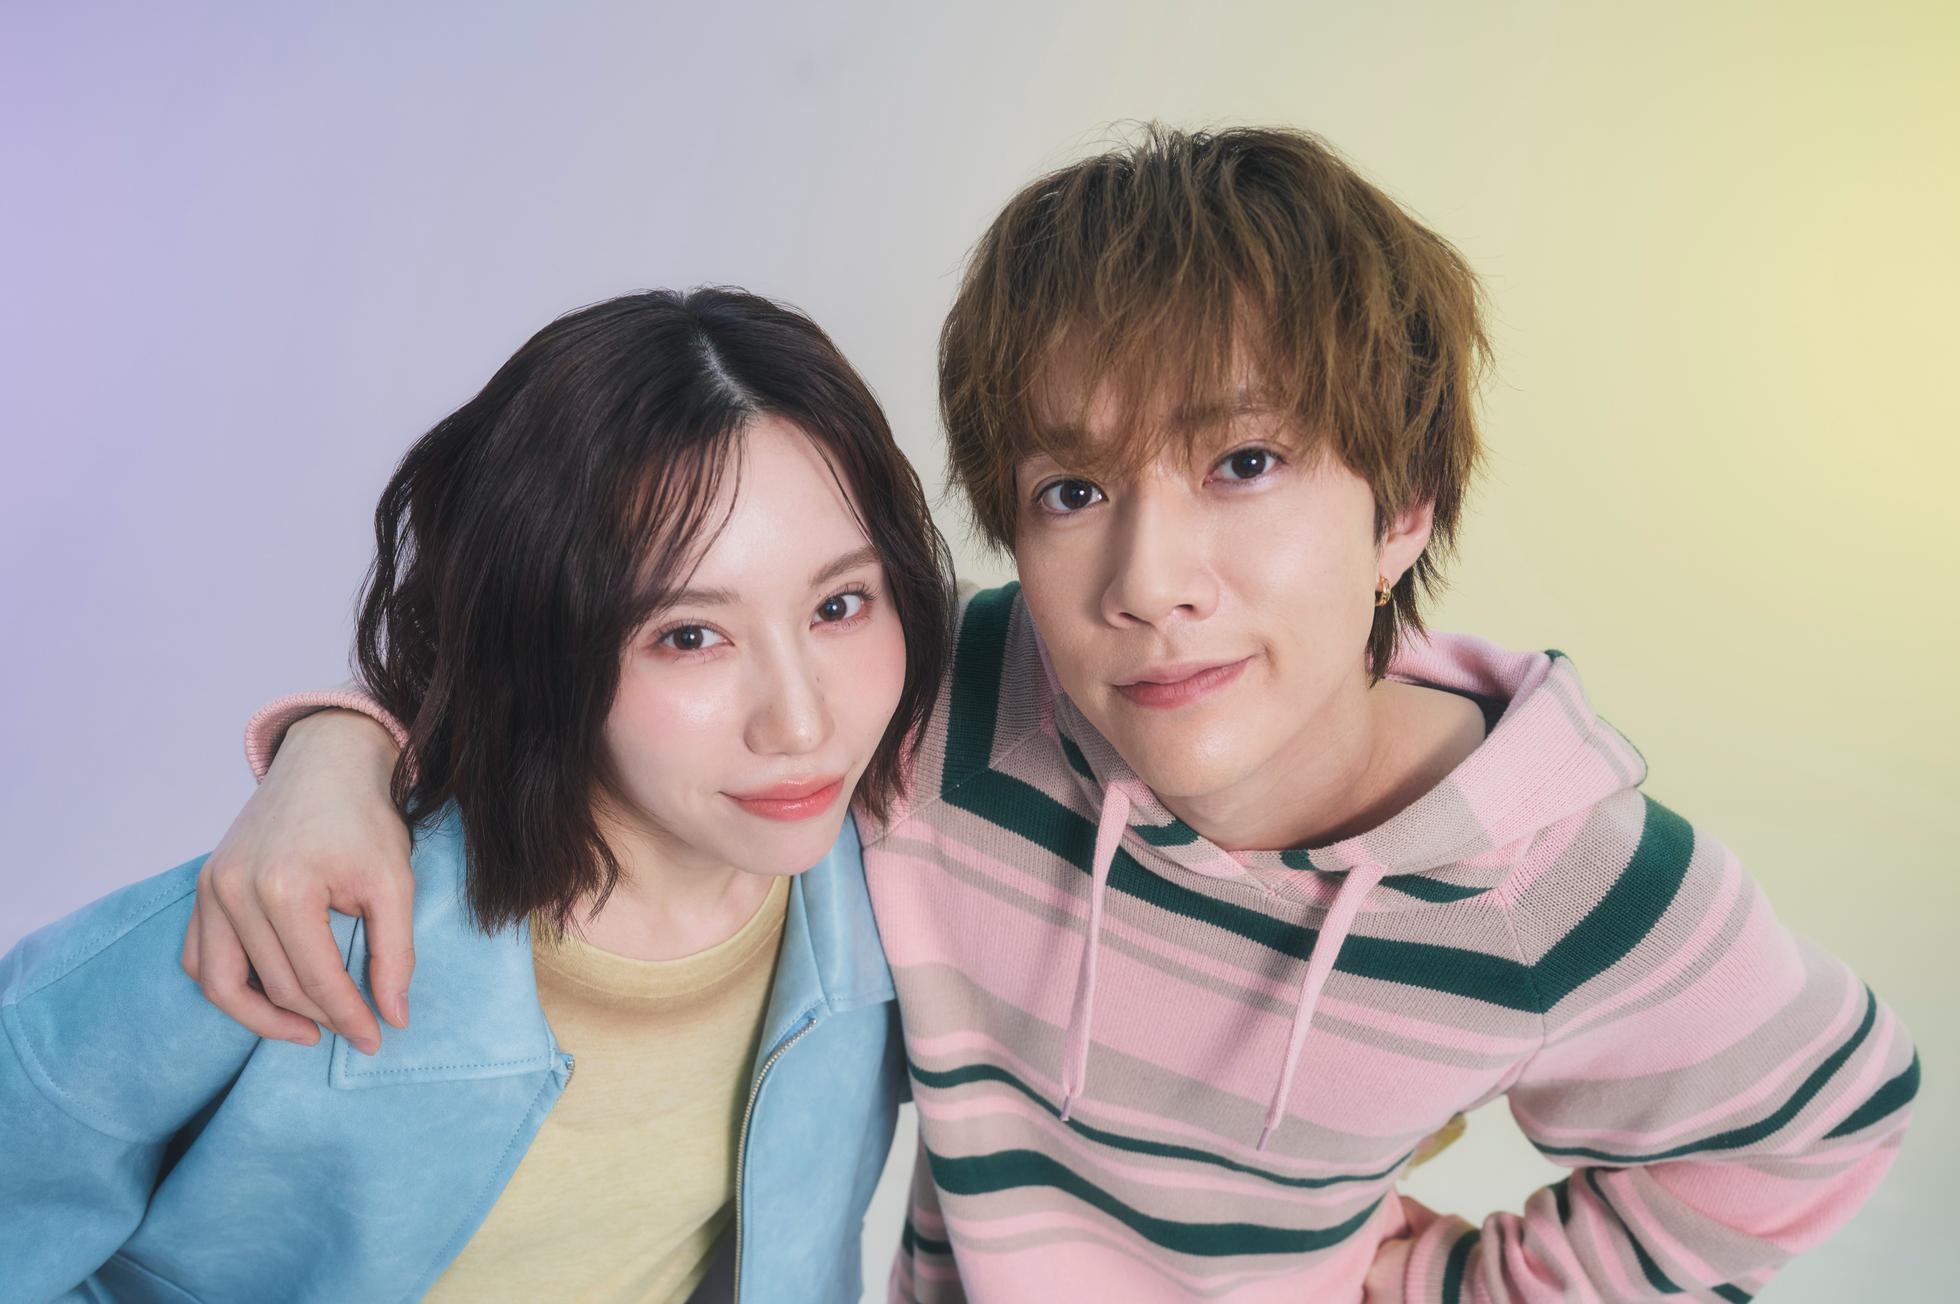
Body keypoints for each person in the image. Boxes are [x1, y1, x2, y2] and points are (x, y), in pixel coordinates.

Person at [182, 127, 1917, 1302]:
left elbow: (1821, 1119)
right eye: (1074, 490)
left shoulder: (1557, 875)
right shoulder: (948, 704)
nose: (1150, 580)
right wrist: (343, 749)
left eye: (1246, 462)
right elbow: (609, 670)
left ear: (1403, 505)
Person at [0, 287, 955, 1303]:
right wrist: (339, 740)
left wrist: (339, 731)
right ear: (542, 632)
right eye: (688, 635)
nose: (800, 725)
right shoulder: (318, 904)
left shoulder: (903, 868)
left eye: (839, 605)